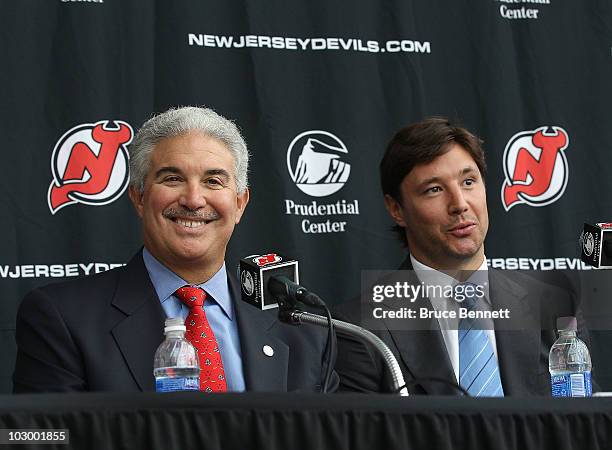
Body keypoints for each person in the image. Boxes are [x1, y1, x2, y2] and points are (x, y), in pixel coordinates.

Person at [13, 106, 336, 393]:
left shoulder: (303, 328)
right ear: (139, 197)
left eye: (213, 181)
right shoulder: (63, 317)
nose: (194, 200)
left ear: (239, 204)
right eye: (172, 178)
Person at [333, 117, 588, 396]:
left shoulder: (555, 306)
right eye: (434, 189)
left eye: (468, 181)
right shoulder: (358, 330)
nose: (460, 204)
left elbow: (581, 427)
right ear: (396, 209)